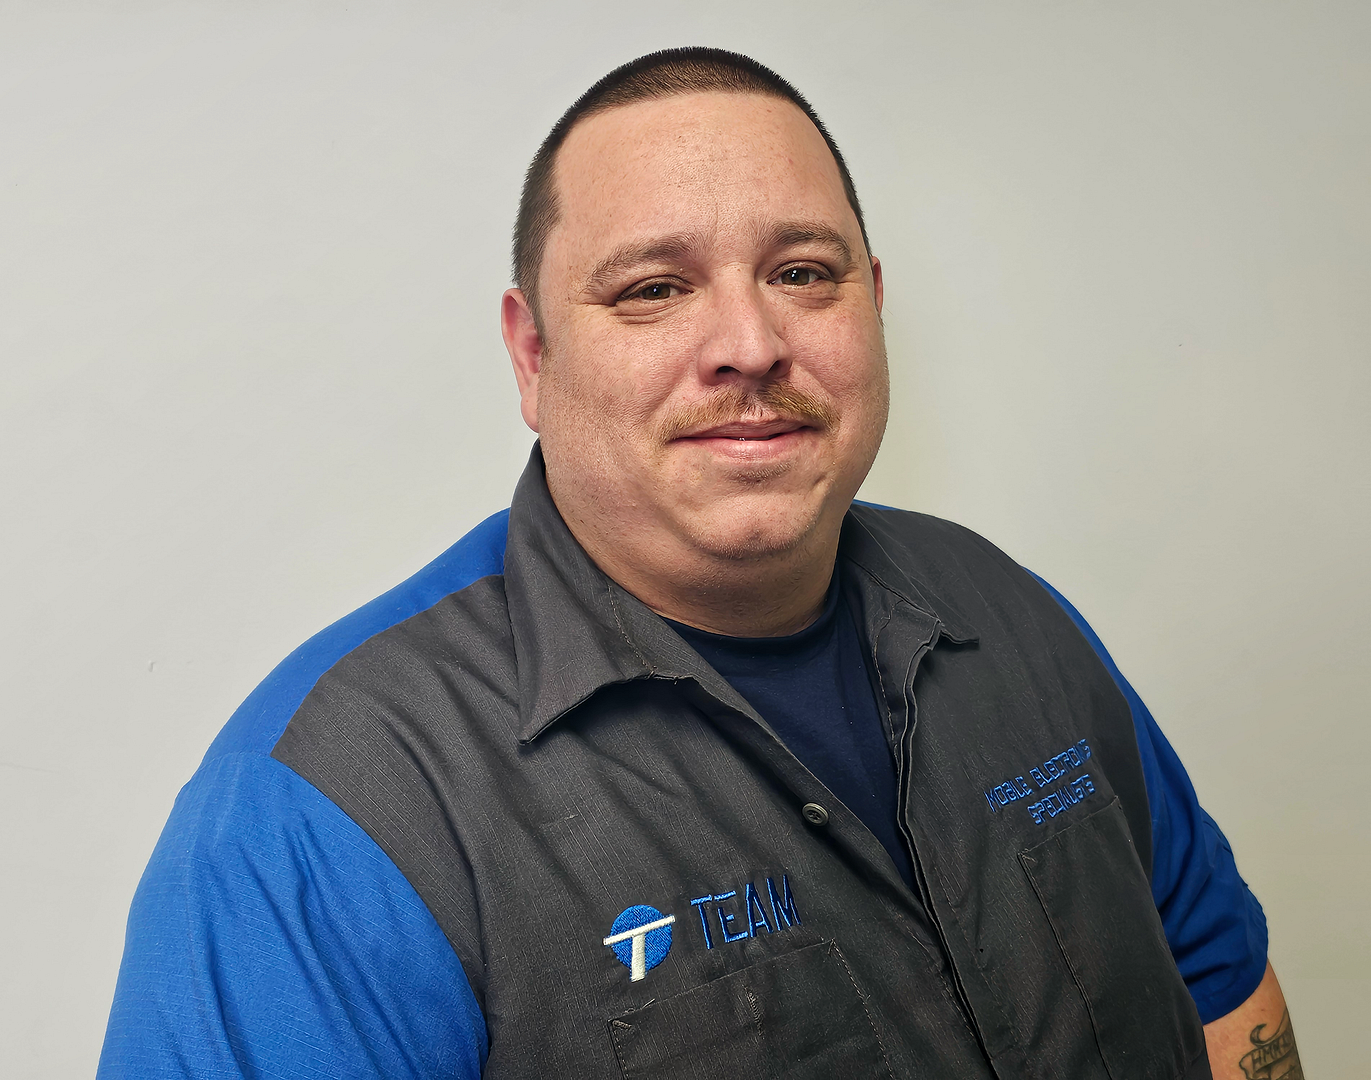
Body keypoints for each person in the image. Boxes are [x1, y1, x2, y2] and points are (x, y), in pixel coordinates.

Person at [98, 48, 1301, 1079]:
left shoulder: (1009, 614)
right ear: (531, 356)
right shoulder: (324, 813)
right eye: (655, 289)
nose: (749, 344)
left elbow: (1218, 983)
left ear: (874, 305)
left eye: (802, 273)